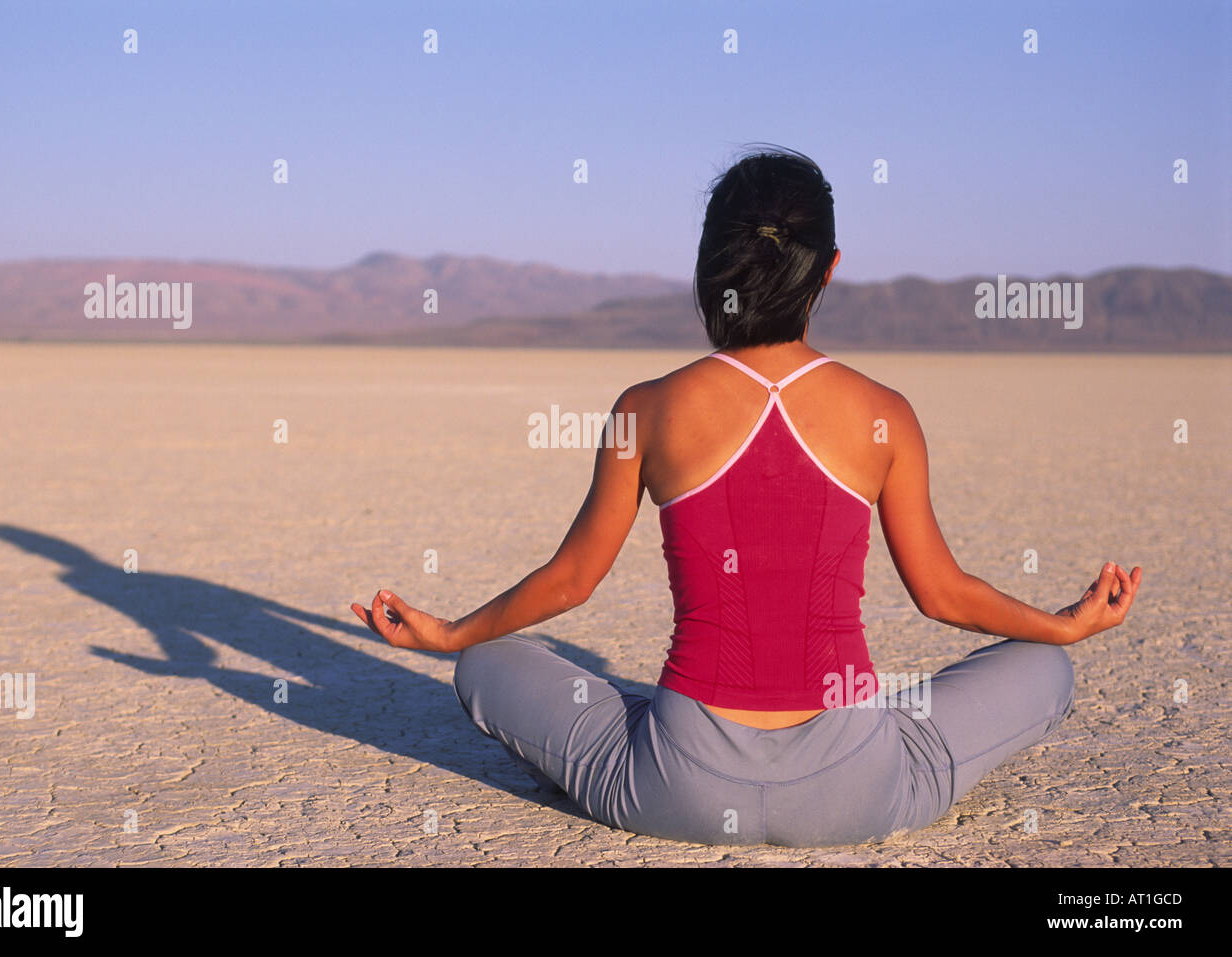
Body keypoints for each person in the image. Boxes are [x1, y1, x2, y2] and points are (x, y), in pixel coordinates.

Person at [350, 146, 1142, 847]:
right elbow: (942, 593)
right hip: (855, 789)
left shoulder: (646, 408)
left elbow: (572, 580)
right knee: (1046, 669)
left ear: (709, 264)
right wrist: (1064, 624)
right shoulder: (884, 414)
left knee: (486, 664)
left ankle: (628, 725)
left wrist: (453, 634)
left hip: (676, 785)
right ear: (829, 269)